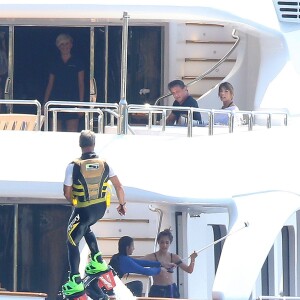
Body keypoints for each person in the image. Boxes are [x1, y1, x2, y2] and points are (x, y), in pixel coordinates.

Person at [62, 130, 126, 297]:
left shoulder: (73, 166)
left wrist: (74, 203)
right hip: (100, 210)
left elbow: (67, 192)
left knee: (71, 239)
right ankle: (97, 260)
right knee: (85, 228)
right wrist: (122, 204)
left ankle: (74, 279)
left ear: (80, 145)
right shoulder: (105, 164)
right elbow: (119, 186)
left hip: (83, 209)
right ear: (94, 144)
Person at [109, 236, 176, 297]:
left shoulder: (120, 257)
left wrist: (161, 264)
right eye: (132, 246)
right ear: (127, 247)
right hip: (110, 292)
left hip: (111, 289)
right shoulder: (124, 260)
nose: (133, 248)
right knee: (138, 285)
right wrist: (160, 270)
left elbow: (141, 263)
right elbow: (147, 272)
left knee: (137, 284)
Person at [43, 33, 85, 132]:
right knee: (55, 133)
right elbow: (50, 83)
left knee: (72, 133)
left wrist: (81, 105)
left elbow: (81, 84)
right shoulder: (54, 62)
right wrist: (45, 103)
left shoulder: (78, 61)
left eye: (67, 43)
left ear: (71, 45)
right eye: (62, 44)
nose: (65, 46)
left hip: (73, 100)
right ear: (58, 46)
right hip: (56, 100)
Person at [143, 229, 198, 298]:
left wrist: (193, 259)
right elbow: (137, 262)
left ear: (170, 243)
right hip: (157, 289)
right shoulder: (152, 257)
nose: (164, 245)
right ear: (158, 242)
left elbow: (189, 270)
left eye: (167, 242)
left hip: (171, 289)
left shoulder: (174, 257)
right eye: (162, 242)